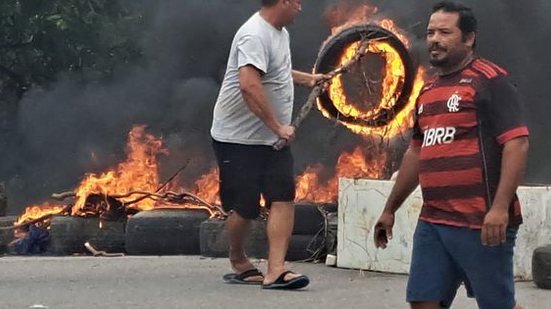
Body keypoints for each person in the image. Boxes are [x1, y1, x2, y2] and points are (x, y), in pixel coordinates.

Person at [374, 1, 529, 308]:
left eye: (445, 32)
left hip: (481, 222)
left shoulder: (490, 81)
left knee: (498, 305)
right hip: (434, 222)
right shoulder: (427, 91)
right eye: (431, 32)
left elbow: (517, 143)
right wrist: (390, 209)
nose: (434, 39)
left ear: (468, 38)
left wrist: (498, 209)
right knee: (423, 303)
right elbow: (417, 152)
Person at [210, 0, 325, 290]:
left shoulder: (279, 33)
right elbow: (249, 85)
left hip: (273, 140)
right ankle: (238, 260)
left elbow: (276, 71)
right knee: (245, 207)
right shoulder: (254, 34)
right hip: (239, 139)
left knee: (283, 196)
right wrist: (277, 127)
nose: (301, 7)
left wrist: (307, 79)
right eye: (297, 2)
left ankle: (276, 270)